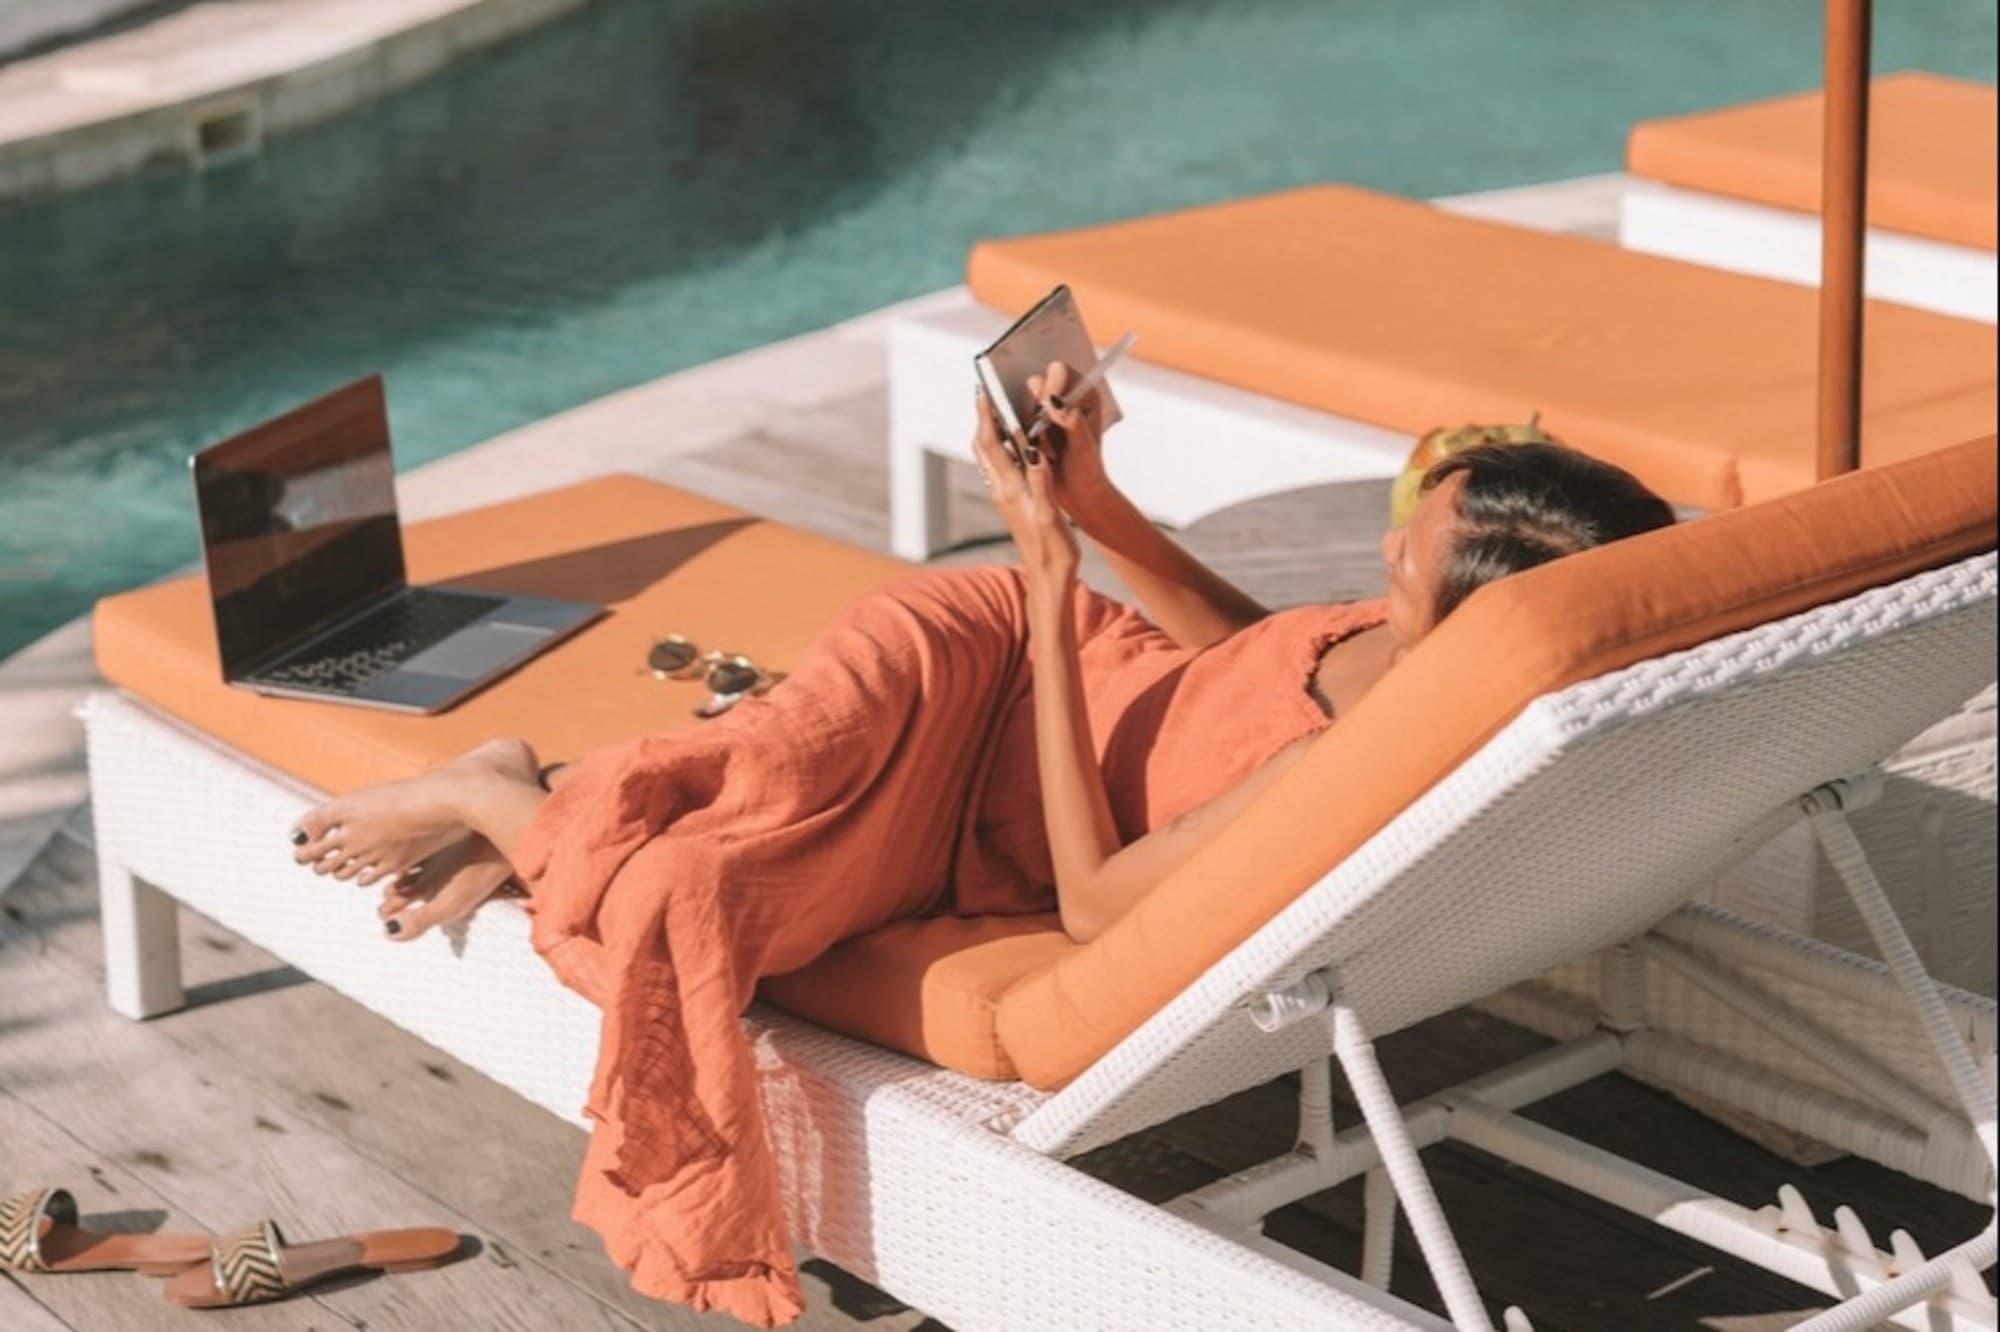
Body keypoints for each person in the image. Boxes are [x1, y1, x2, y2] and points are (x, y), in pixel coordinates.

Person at [285, 363, 1676, 1325]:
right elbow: (1247, 656)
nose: (1379, 567)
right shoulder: (1438, 657)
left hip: (1030, 740)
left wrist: (1055, 576)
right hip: (986, 654)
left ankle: (505, 797)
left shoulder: (1352, 771)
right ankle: (523, 804)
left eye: (1400, 568)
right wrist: (1096, 503)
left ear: (1471, 621)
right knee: (768, 777)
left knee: (692, 893)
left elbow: (1086, 908)